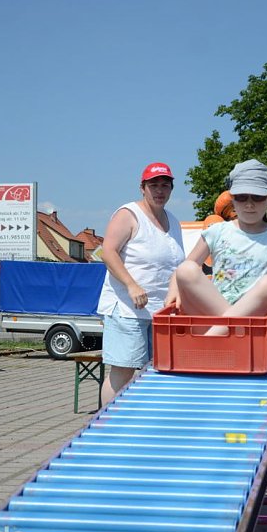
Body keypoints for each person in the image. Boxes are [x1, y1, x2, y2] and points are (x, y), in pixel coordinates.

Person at [166, 159, 267, 327]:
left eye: (258, 197)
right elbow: (185, 268)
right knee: (186, 268)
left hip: (254, 319)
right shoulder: (217, 231)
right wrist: (174, 290)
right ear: (232, 199)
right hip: (214, 312)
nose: (249, 204)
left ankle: (215, 337)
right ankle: (228, 330)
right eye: (242, 197)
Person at [97, 162, 185, 404]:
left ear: (171, 189)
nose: (159, 190)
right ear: (142, 188)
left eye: (165, 185)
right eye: (153, 185)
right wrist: (131, 285)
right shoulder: (129, 215)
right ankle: (109, 426)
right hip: (127, 309)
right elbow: (108, 252)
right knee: (123, 371)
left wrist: (177, 295)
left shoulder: (173, 221)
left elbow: (177, 266)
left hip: (160, 312)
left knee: (158, 372)